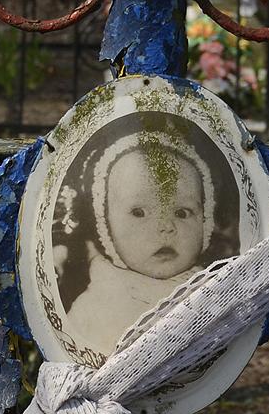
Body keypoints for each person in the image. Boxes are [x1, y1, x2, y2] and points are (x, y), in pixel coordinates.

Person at [62, 132, 215, 360]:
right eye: (139, 213)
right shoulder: (95, 304)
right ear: (106, 224)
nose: (166, 227)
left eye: (182, 212)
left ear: (205, 221)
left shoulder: (212, 290)